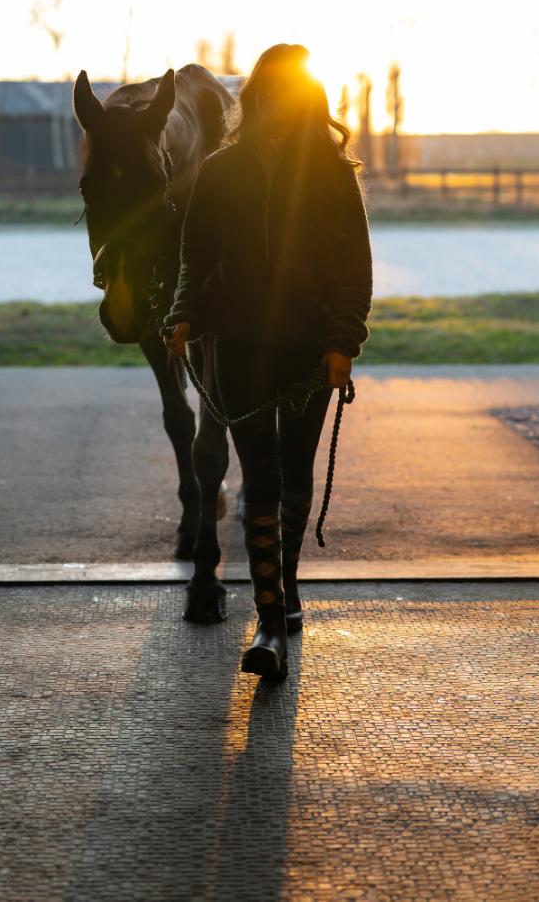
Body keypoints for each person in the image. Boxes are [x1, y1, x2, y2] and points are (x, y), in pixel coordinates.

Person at [163, 43, 373, 681]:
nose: (281, 105)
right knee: (258, 477)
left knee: (293, 477)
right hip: (239, 346)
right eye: (271, 93)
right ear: (256, 97)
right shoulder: (222, 172)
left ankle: (285, 588)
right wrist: (184, 314)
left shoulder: (332, 174)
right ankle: (271, 619)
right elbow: (195, 262)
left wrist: (344, 342)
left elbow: (352, 266)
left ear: (308, 99)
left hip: (310, 350)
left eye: (293, 94)